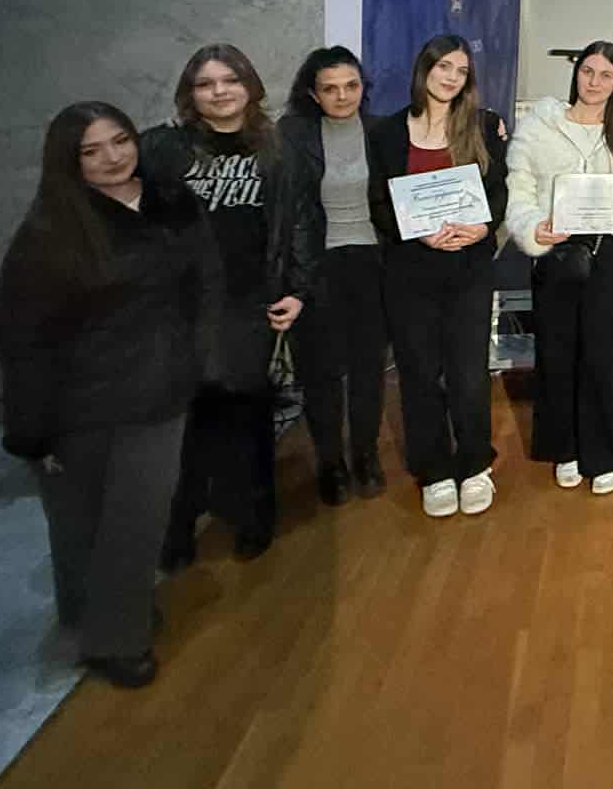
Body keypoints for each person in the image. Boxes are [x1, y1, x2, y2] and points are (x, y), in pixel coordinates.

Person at [0, 104, 208, 689]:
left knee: (135, 522)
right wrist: (31, 432)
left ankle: (116, 636)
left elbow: (199, 286)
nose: (113, 157)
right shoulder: (49, 232)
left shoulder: (170, 203)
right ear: (68, 161)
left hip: (157, 392)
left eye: (120, 141)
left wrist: (197, 356)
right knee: (78, 525)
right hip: (79, 403)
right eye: (91, 151)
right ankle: (97, 627)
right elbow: (25, 340)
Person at [143, 45, 300, 566]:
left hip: (248, 302)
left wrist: (297, 289)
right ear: (190, 94)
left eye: (229, 80)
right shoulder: (163, 148)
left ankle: (253, 517)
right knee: (184, 422)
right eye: (205, 83)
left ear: (249, 85)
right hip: (180, 306)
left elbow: (298, 221)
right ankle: (177, 527)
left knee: (247, 417)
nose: (219, 91)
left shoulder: (275, 148)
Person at [507, 42, 613, 497]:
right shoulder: (540, 126)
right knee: (556, 353)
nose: (594, 82)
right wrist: (533, 226)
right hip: (555, 252)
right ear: (576, 74)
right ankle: (565, 448)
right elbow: (519, 187)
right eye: (588, 71)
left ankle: (606, 454)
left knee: (604, 355)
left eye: (605, 75)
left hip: (608, 254)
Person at [368, 34, 509, 517]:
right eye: (444, 66)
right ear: (424, 68)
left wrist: (482, 227)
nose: (451, 77)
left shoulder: (484, 126)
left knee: (469, 373)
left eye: (461, 71)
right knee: (419, 372)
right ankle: (433, 470)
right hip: (411, 268)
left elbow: (498, 192)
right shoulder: (387, 133)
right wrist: (419, 233)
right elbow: (379, 202)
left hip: (469, 267)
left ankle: (475, 464)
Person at [280, 46, 389, 505]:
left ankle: (365, 454)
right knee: (319, 371)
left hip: (373, 262)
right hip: (315, 265)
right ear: (313, 93)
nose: (343, 96)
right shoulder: (290, 135)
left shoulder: (383, 131)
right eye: (330, 88)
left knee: (369, 368)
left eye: (351, 86)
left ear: (363, 87)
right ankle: (330, 462)